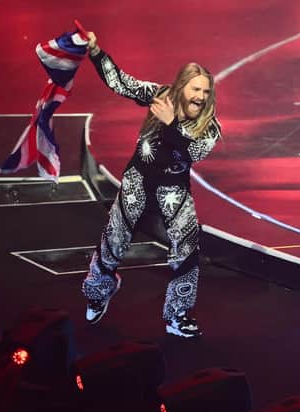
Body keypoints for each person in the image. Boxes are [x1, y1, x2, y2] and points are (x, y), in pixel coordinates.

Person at [81, 31, 221, 338]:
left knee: (186, 249)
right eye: (196, 89)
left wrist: (172, 124)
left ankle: (178, 314)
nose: (201, 97)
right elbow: (121, 82)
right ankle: (99, 290)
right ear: (182, 87)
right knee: (114, 238)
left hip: (174, 190)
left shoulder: (210, 126)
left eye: (206, 92)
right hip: (138, 179)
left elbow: (191, 154)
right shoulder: (161, 96)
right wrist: (95, 52)